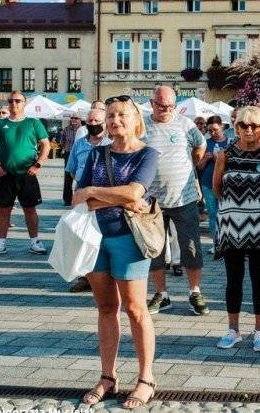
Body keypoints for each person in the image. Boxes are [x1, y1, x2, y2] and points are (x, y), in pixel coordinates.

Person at [74, 96, 159, 409]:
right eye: (110, 115)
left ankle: (146, 378)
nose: (114, 120)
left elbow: (135, 191)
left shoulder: (148, 154)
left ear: (136, 119)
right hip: (95, 238)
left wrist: (94, 192)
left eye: (122, 114)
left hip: (130, 239)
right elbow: (77, 198)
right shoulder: (97, 154)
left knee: (136, 309)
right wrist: (116, 198)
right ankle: (107, 376)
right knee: (106, 307)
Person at [213, 106, 260, 352]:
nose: (249, 130)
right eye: (243, 125)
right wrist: (237, 209)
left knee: (259, 278)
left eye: (254, 125)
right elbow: (217, 188)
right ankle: (233, 330)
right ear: (236, 127)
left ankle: (259, 330)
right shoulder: (226, 154)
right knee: (233, 278)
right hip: (232, 226)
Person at [144, 86, 208, 316]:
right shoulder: (142, 126)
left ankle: (195, 292)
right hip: (151, 201)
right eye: (161, 106)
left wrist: (194, 162)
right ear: (152, 103)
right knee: (155, 249)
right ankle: (161, 294)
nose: (166, 110)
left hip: (185, 198)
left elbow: (201, 144)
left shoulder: (185, 124)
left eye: (170, 106)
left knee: (191, 247)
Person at [0, 91, 51, 256]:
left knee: (30, 209)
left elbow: (46, 144)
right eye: (11, 101)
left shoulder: (33, 123)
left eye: (18, 101)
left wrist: (38, 164)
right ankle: (0, 244)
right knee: (4, 209)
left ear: (24, 103)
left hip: (27, 174)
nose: (14, 103)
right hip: (5, 174)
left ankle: (35, 242)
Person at [65, 107, 112, 293]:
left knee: (104, 237)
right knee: (83, 237)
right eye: (90, 121)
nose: (93, 124)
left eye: (97, 121)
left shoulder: (112, 143)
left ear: (105, 122)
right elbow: (72, 169)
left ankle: (107, 276)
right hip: (83, 195)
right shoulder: (79, 144)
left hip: (106, 197)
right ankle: (85, 277)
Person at [196, 116, 230, 247]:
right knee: (212, 213)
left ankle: (227, 243)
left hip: (226, 185)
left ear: (222, 126)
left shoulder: (230, 142)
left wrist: (218, 158)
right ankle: (217, 245)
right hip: (208, 183)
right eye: (210, 130)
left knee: (226, 214)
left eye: (215, 129)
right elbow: (199, 166)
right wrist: (205, 159)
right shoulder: (205, 143)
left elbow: (232, 164)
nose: (213, 133)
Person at [61, 116, 81, 205]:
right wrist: (65, 149)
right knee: (68, 176)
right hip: (68, 154)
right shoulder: (66, 129)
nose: (74, 119)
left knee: (81, 175)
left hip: (79, 154)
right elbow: (62, 141)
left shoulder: (84, 129)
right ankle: (67, 199)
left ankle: (81, 198)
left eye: (76, 118)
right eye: (72, 118)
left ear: (80, 120)